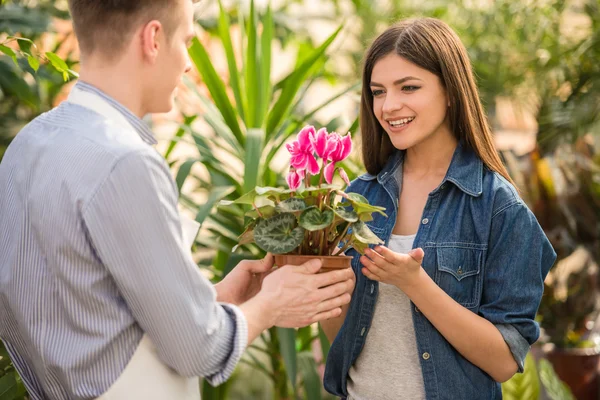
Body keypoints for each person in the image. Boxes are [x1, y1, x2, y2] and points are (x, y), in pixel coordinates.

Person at [0, 1, 354, 399]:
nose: (188, 63)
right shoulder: (125, 162)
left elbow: (84, 311)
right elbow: (199, 351)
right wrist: (270, 305)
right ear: (152, 39)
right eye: (186, 41)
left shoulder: (26, 146)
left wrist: (215, 298)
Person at [320, 18, 556, 400]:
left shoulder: (498, 208)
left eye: (409, 87)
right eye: (378, 92)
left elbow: (504, 362)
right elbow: (343, 337)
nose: (389, 106)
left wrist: (415, 284)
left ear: (450, 91)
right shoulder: (357, 198)